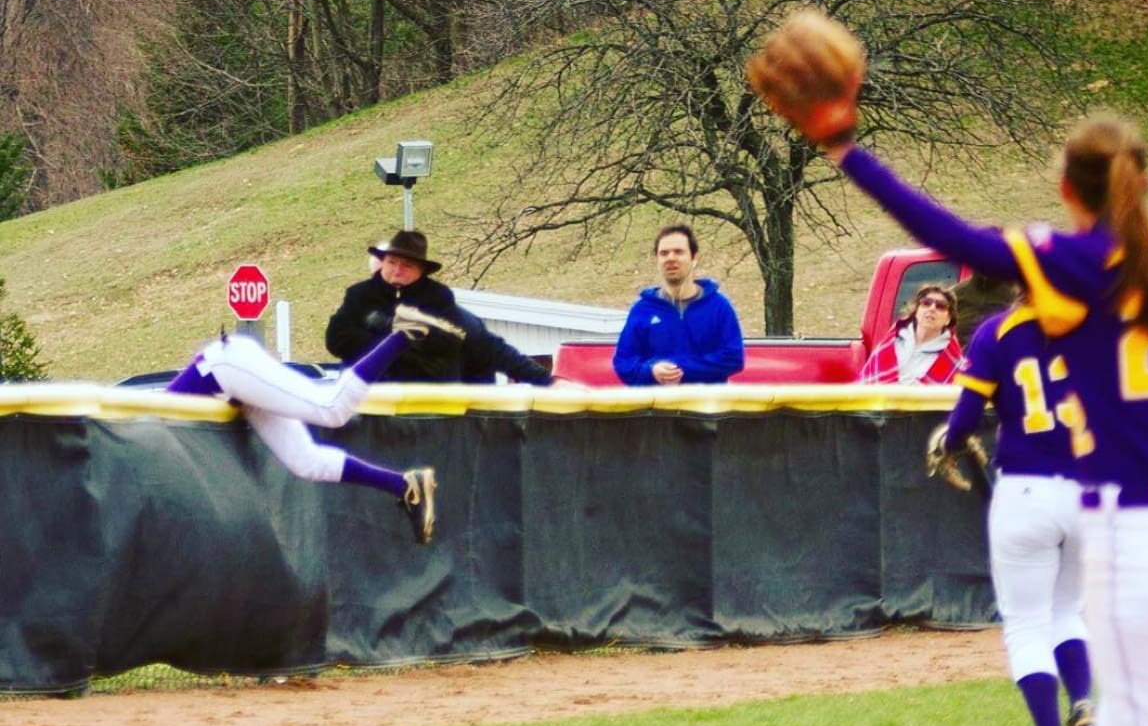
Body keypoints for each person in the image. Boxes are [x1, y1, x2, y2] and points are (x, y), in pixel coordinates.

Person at [803, 106, 1148, 726]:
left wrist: (846, 147)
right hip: (1129, 525)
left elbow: (946, 235)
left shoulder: (1076, 265)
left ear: (1066, 190)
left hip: (1131, 533)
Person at [940, 288, 1094, 726]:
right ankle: (1085, 705)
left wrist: (951, 442)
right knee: (1067, 610)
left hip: (1026, 490)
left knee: (1027, 623)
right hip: (1090, 488)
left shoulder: (998, 331)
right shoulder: (1097, 327)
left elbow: (965, 420)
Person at [165, 305, 464, 544]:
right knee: (306, 462)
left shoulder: (132, 435)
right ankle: (404, 484)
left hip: (225, 367)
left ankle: (402, 335)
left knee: (331, 408)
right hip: (230, 384)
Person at [326, 230, 560, 386]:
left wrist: (546, 381)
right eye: (391, 262)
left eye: (406, 265)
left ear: (421, 271)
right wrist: (394, 338)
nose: (397, 270)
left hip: (428, 410)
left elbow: (477, 345)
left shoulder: (438, 300)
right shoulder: (358, 295)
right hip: (368, 404)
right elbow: (337, 340)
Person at [613, 224, 745, 385]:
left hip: (708, 406)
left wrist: (679, 368)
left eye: (678, 252)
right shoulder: (642, 310)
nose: (670, 258)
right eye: (664, 253)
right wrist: (650, 371)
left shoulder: (719, 306)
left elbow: (733, 359)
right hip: (656, 407)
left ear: (694, 258)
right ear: (657, 260)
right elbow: (623, 363)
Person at [859, 282, 964, 384]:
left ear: (948, 320)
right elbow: (865, 385)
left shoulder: (954, 363)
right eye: (926, 303)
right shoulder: (890, 343)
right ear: (916, 311)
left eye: (941, 306)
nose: (932, 308)